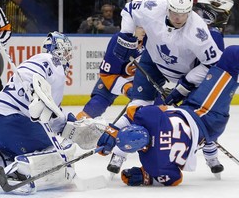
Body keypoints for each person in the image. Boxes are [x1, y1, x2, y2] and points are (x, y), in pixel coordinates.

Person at [103, 0, 225, 177]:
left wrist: (184, 86)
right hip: (152, 61)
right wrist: (126, 35)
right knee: (138, 107)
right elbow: (128, 9)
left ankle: (211, 154)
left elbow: (212, 65)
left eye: (183, 14)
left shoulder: (199, 31)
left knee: (199, 116)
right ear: (168, 7)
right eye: (175, 12)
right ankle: (119, 154)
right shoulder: (154, 6)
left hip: (185, 73)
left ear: (190, 11)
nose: (178, 18)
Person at [96, 45, 239, 186]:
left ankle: (211, 152)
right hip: (205, 112)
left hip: (204, 129)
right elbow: (134, 111)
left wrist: (145, 176)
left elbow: (175, 179)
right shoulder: (148, 117)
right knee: (233, 55)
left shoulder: (155, 164)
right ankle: (211, 154)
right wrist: (112, 131)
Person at [0, 32, 75, 192]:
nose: (68, 57)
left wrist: (65, 123)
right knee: (61, 147)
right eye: (66, 52)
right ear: (58, 51)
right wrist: (35, 90)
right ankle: (20, 172)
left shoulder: (52, 78)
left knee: (12, 152)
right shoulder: (50, 60)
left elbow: (49, 118)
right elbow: (28, 72)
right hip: (14, 122)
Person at [76, 27, 145, 119]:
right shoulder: (119, 40)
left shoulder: (152, 40)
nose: (144, 30)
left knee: (155, 108)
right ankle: (77, 128)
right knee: (95, 106)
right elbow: (107, 75)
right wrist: (127, 88)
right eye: (140, 27)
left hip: (141, 79)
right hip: (114, 76)